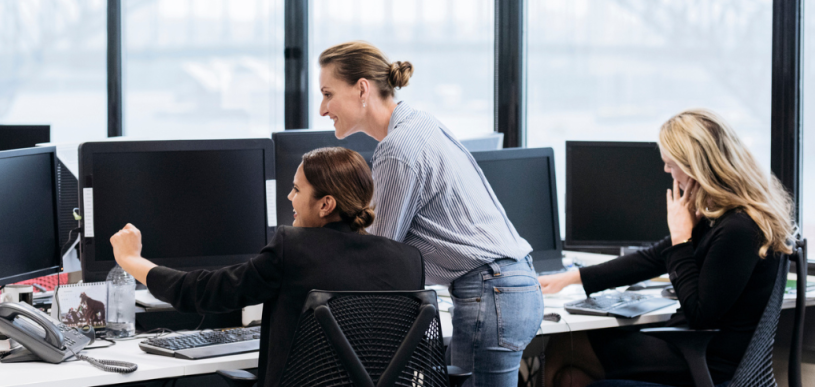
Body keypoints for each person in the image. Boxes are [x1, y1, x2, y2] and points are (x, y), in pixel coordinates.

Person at [317, 41, 543, 387]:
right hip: (509, 286)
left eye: (328, 93)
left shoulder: (397, 148)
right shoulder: (420, 124)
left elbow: (381, 254)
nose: (322, 108)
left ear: (362, 88)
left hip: (492, 292)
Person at [109, 147, 425, 386]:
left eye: (297, 190)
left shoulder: (294, 248)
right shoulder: (408, 259)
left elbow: (205, 292)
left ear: (326, 204)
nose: (289, 196)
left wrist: (132, 261)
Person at [538, 109, 796, 387]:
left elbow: (700, 314)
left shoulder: (739, 229)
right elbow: (652, 258)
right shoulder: (725, 216)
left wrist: (681, 239)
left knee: (566, 344)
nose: (666, 171)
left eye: (671, 164)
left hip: (705, 360)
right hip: (696, 351)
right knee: (572, 377)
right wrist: (569, 278)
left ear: (696, 166)